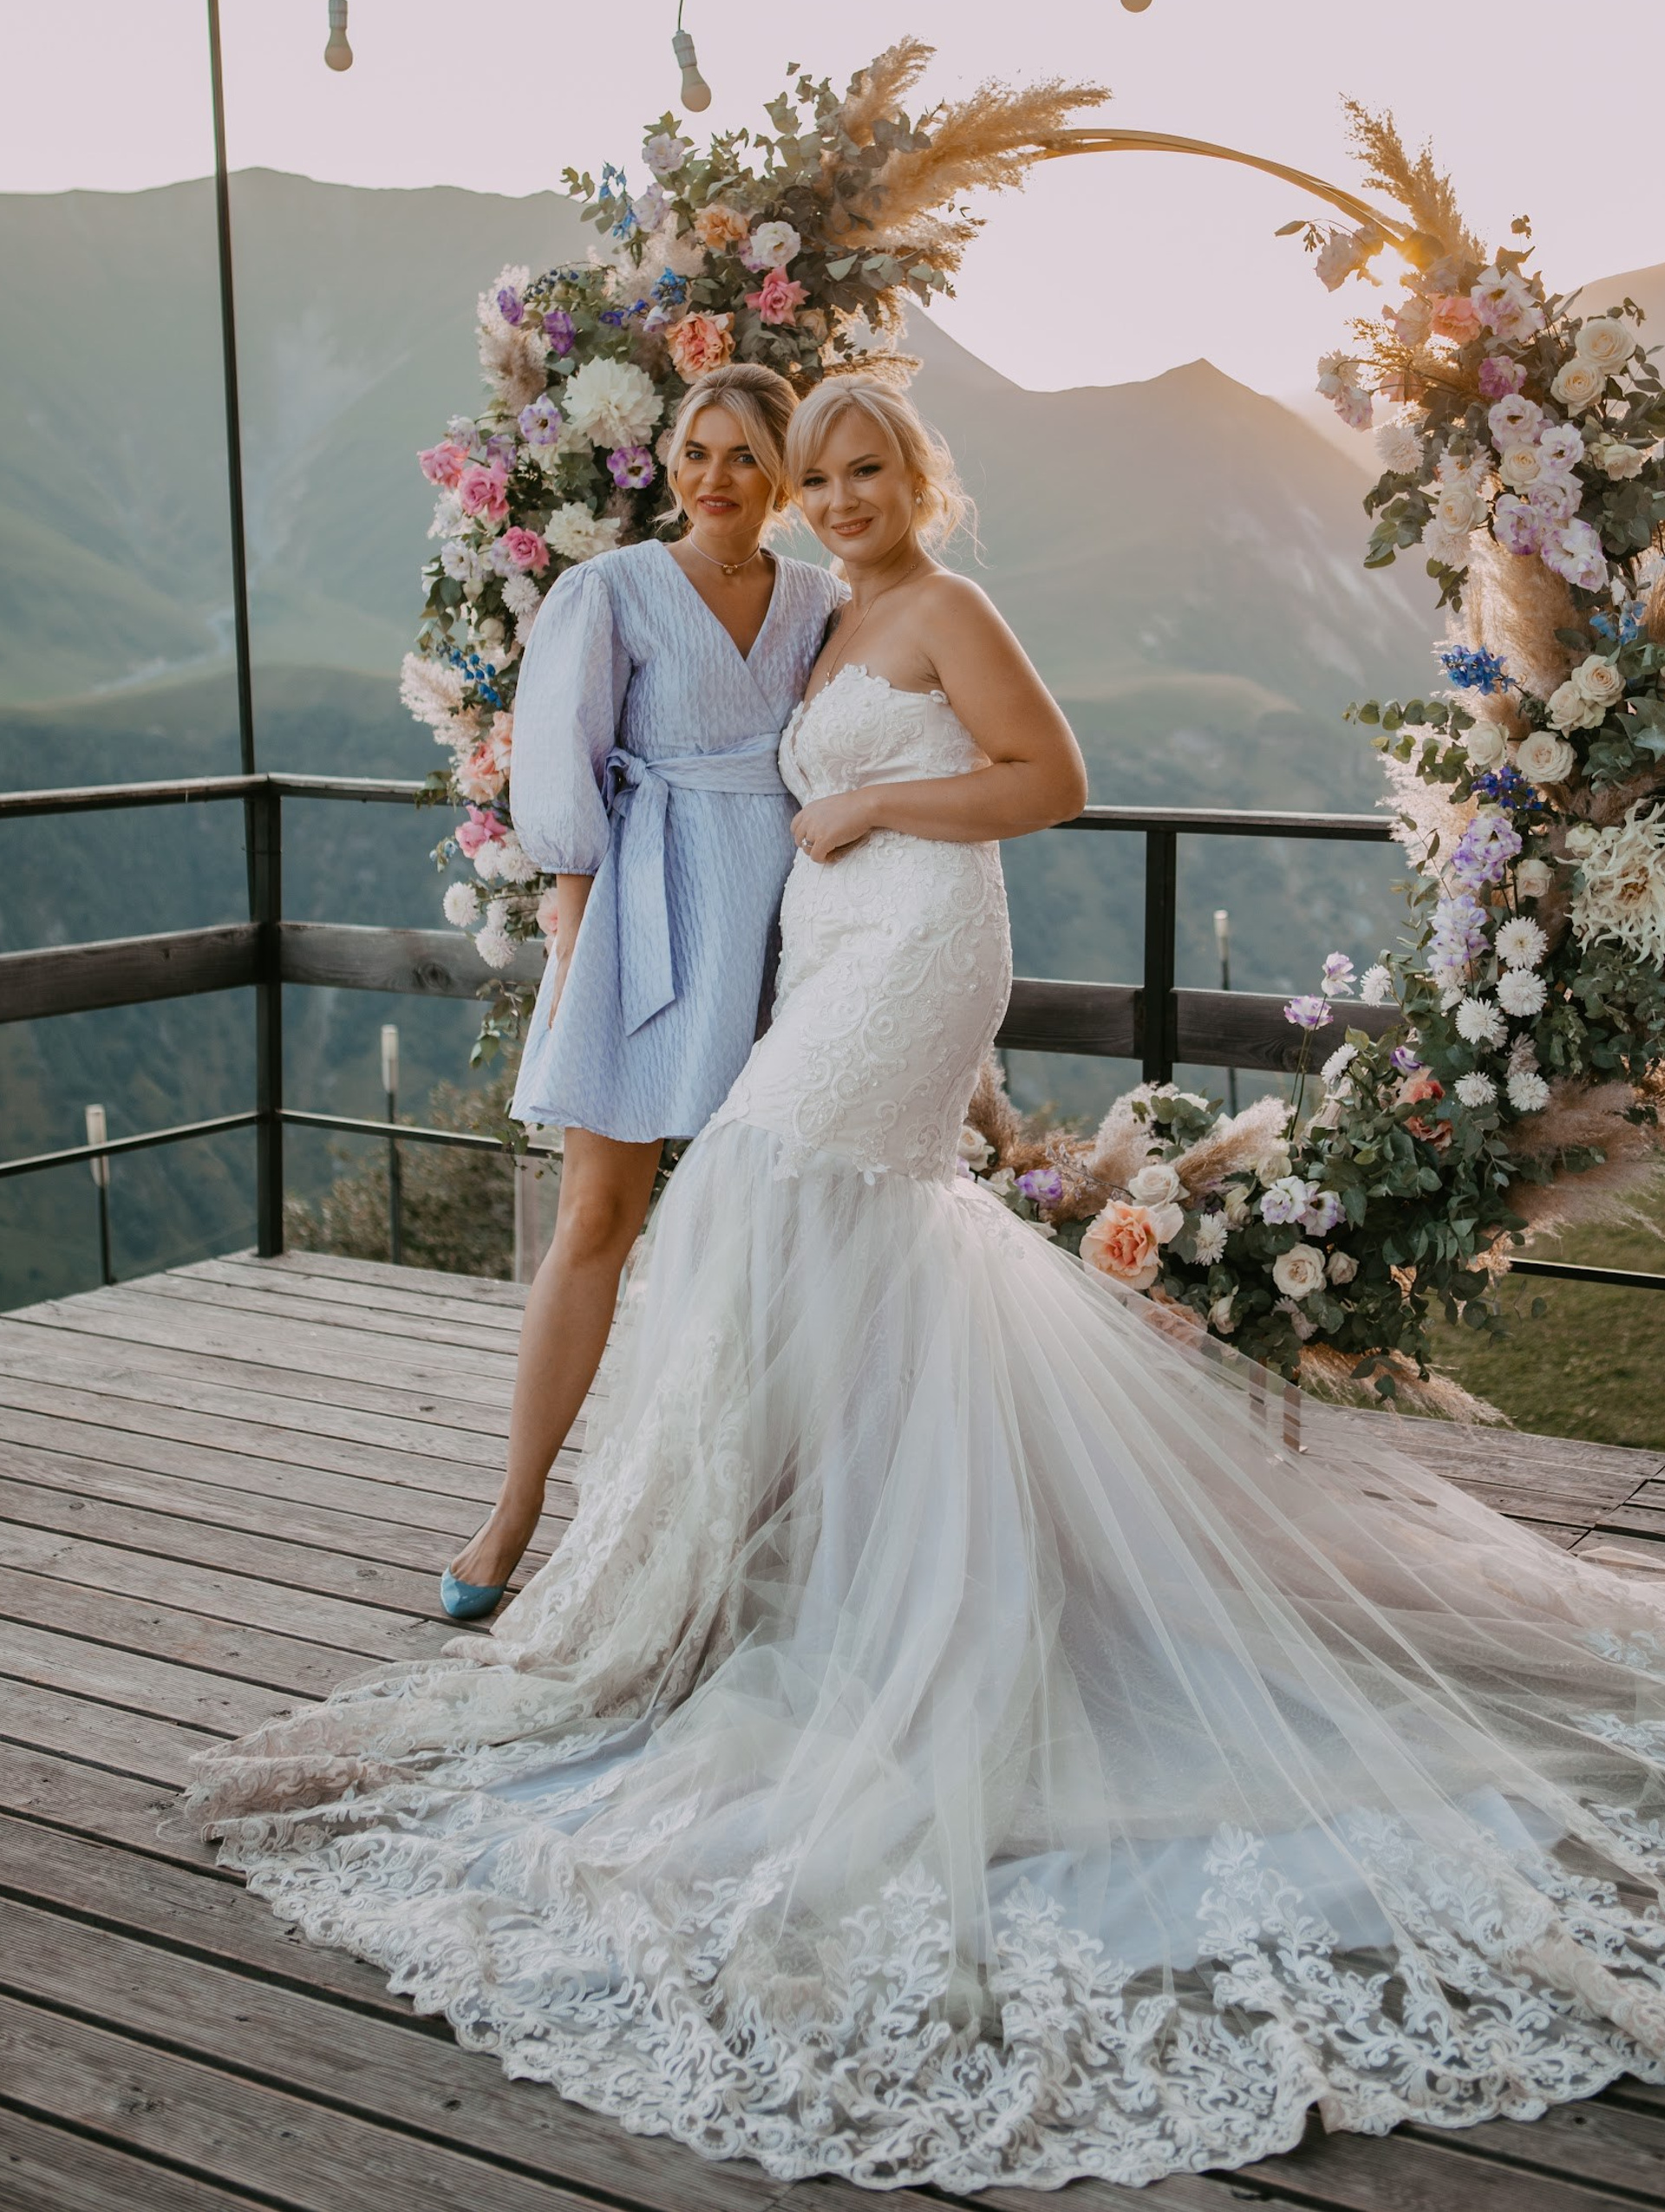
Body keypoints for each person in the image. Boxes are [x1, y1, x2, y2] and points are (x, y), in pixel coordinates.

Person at [189, 379, 1665, 2197]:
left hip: (908, 955)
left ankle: (794, 1573)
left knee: (757, 1184)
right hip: (819, 955)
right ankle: (841, 1552)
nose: (830, 493)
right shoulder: (817, 614)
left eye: (856, 466)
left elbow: (1050, 781)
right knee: (852, 1237)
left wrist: (874, 797)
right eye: (811, 473)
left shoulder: (939, 608)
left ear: (914, 478)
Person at [440, 362, 842, 1618]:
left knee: (765, 1238)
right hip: (643, 910)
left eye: (741, 455)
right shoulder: (609, 588)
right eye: (694, 451)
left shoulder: (825, 599)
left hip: (781, 922)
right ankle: (513, 1513)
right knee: (597, 1221)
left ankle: (736, 1522)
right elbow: (560, 772)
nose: (713, 478)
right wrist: (574, 945)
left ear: (784, 471)